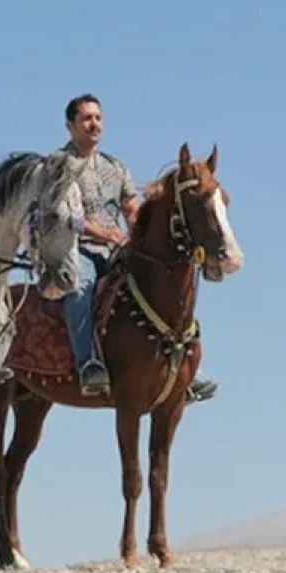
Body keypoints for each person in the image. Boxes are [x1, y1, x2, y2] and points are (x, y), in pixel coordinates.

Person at [59, 93, 218, 402]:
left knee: (163, 282)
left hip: (116, 246)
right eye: (87, 119)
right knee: (80, 288)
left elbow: (130, 206)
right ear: (70, 126)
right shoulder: (61, 166)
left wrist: (136, 230)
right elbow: (67, 216)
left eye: (98, 118)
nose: (95, 124)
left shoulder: (114, 167)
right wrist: (106, 234)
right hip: (75, 247)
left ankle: (182, 367)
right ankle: (87, 363)